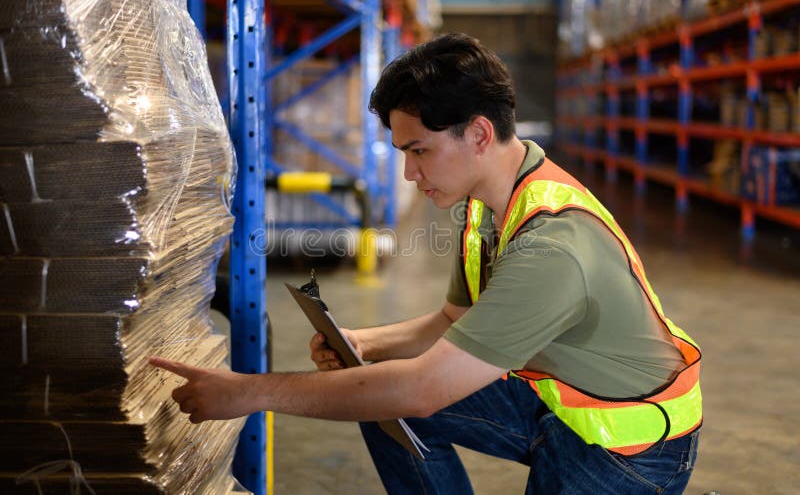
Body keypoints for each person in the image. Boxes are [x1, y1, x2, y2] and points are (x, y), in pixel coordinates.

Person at [150, 33, 702, 494]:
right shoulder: (489, 204)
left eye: (419, 151)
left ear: (479, 134)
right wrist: (363, 345)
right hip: (562, 403)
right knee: (375, 393)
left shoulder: (552, 244)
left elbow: (424, 388)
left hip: (627, 447)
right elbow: (451, 323)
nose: (411, 174)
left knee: (397, 394)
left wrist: (247, 393)